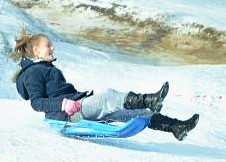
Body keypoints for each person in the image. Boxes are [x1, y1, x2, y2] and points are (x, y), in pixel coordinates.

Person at [12, 31, 200, 141]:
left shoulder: (46, 68)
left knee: (136, 115)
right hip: (67, 116)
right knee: (108, 96)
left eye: (52, 45)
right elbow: (37, 103)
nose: (52, 48)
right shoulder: (33, 73)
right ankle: (149, 99)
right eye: (48, 46)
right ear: (37, 51)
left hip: (77, 106)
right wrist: (63, 105)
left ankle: (176, 127)